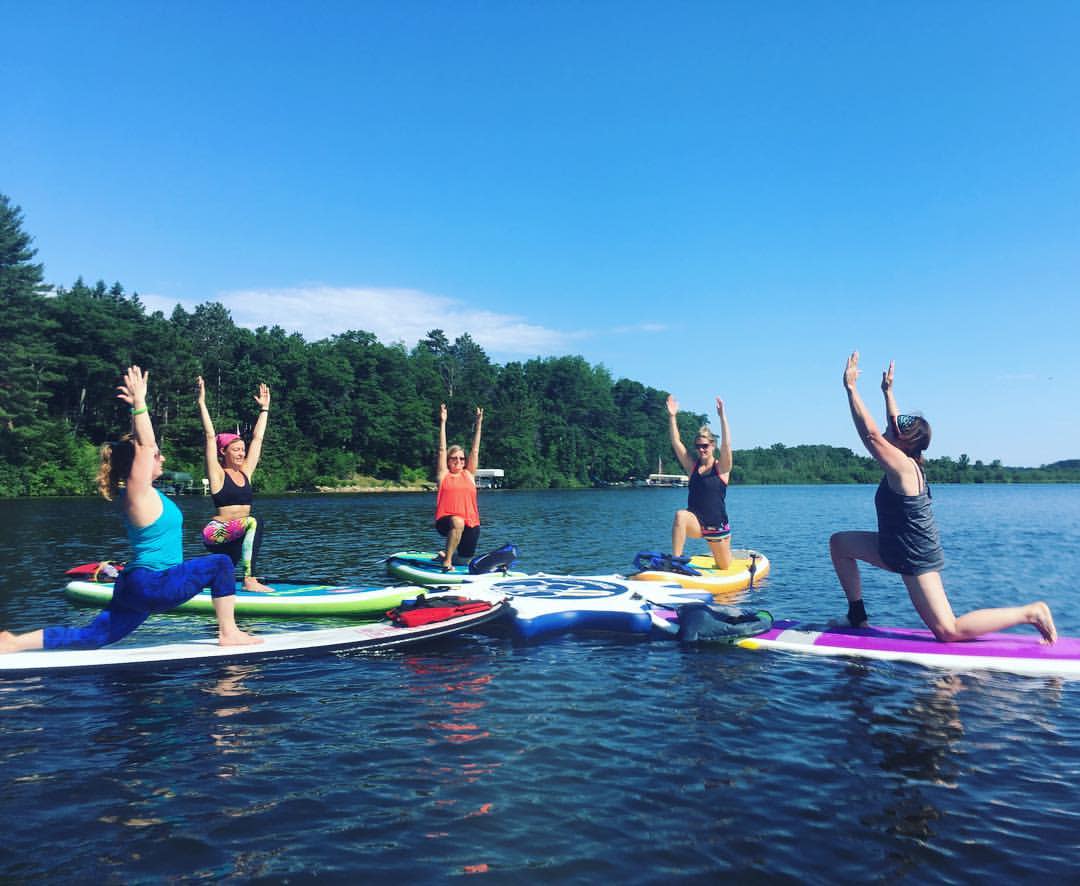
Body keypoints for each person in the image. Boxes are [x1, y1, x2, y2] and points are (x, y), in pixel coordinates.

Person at [0, 366, 260, 654]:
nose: (162, 456)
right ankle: (229, 632)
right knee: (221, 564)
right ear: (141, 462)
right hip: (155, 583)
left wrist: (138, 419)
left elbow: (142, 445)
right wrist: (139, 404)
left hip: (134, 584)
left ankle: (13, 643)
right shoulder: (138, 493)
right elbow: (145, 445)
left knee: (95, 636)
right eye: (157, 454)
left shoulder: (140, 494)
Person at [830, 351, 1056, 643]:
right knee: (839, 543)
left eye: (892, 430)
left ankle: (1032, 612)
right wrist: (888, 393)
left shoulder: (903, 467)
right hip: (892, 546)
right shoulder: (906, 456)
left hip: (914, 555)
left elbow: (871, 435)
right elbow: (891, 426)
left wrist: (851, 389)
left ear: (902, 440)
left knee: (947, 631)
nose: (887, 431)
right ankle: (856, 617)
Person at [196, 375, 273, 593]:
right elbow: (210, 436)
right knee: (254, 521)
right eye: (236, 450)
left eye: (243, 450)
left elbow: (257, 439)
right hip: (216, 532)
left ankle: (203, 579)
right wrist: (202, 402)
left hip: (236, 535)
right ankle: (249, 579)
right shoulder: (218, 475)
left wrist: (264, 410)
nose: (242, 453)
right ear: (223, 452)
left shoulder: (246, 472)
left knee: (224, 572)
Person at [667, 394, 733, 569]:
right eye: (698, 446)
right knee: (680, 515)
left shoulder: (722, 468)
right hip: (696, 522)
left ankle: (727, 554)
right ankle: (676, 561)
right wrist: (672, 416)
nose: (701, 449)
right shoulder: (692, 467)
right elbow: (676, 442)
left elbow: (727, 446)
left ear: (713, 446)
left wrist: (722, 417)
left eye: (705, 445)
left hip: (716, 527)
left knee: (725, 567)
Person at [434, 402, 484, 571]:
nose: (459, 461)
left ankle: (448, 555)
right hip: (446, 521)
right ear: (448, 461)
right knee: (457, 521)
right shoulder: (444, 475)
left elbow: (475, 450)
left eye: (462, 459)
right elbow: (442, 449)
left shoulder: (469, 475)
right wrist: (443, 422)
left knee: (464, 560)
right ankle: (447, 562)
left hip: (471, 523)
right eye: (454, 458)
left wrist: (479, 424)